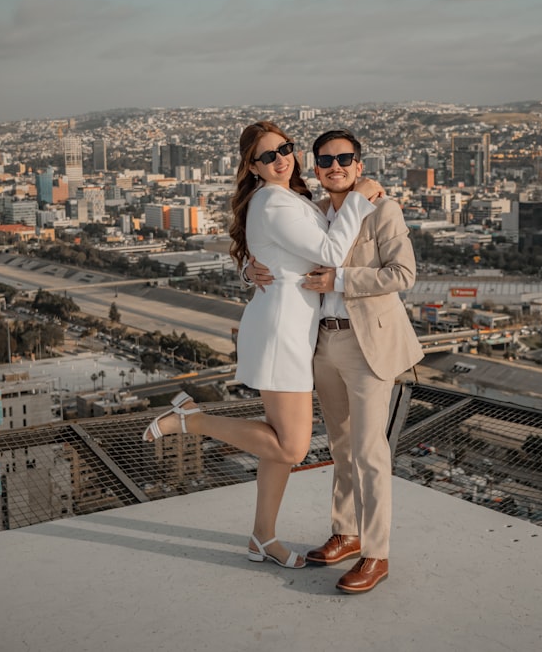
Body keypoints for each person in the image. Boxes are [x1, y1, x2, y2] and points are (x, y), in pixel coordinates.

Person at [142, 121, 383, 570]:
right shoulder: (273, 199)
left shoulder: (288, 198)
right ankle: (190, 421)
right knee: (291, 448)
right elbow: (330, 253)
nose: (281, 159)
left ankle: (262, 536)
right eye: (268, 155)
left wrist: (249, 270)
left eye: (285, 149)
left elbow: (276, 256)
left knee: (277, 445)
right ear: (252, 167)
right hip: (282, 334)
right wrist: (359, 198)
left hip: (288, 328)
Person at [246, 129, 423, 593]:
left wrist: (341, 280)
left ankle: (376, 554)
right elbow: (271, 243)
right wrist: (246, 266)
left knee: (369, 451)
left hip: (366, 347)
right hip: (322, 344)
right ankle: (346, 532)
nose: (335, 166)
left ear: (359, 166)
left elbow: (403, 274)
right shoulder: (315, 211)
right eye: (325, 160)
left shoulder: (383, 209)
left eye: (345, 158)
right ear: (317, 168)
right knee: (340, 446)